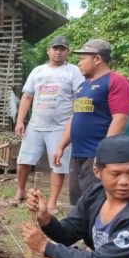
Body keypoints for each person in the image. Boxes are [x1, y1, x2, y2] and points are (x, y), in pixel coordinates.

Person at [51, 39, 129, 205]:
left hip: (95, 154)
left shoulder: (116, 81)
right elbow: (75, 117)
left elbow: (120, 118)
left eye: (82, 58)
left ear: (97, 59)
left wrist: (103, 153)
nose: (79, 63)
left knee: (95, 203)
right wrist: (61, 146)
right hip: (78, 153)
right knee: (77, 202)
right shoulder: (83, 86)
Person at [13, 35, 85, 213]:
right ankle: (20, 191)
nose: (58, 52)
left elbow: (81, 98)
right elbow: (27, 96)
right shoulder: (38, 71)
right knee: (23, 161)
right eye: (55, 48)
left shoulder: (73, 72)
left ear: (67, 52)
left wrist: (75, 122)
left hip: (61, 127)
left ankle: (52, 202)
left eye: (62, 49)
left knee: (58, 165)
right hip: (36, 125)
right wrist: (20, 120)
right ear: (48, 50)